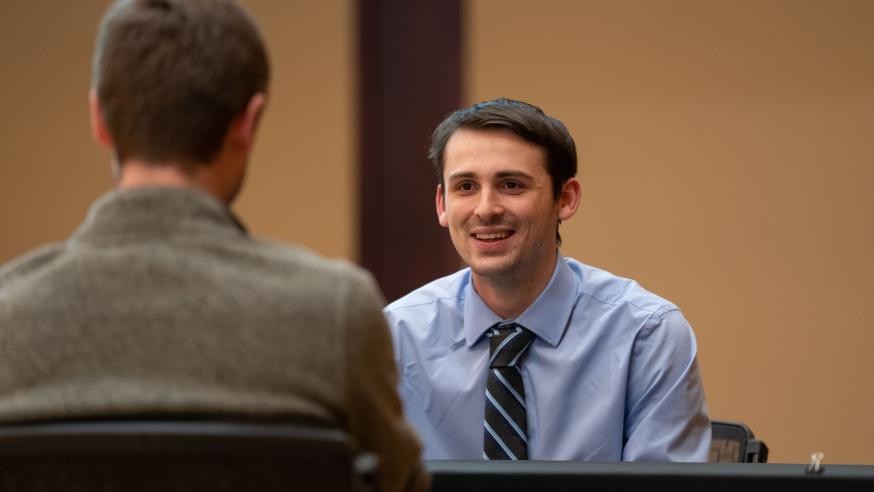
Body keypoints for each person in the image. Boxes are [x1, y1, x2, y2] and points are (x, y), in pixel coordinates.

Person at [0, 1, 426, 490]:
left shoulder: (7, 313)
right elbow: (403, 484)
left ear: (99, 117)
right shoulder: (334, 312)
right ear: (248, 123)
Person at [384, 97, 710, 461]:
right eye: (465, 187)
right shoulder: (395, 336)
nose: (486, 209)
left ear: (565, 199)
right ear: (442, 204)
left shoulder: (646, 334)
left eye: (511, 185)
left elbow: (664, 488)